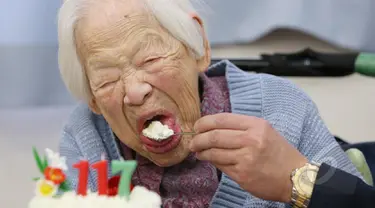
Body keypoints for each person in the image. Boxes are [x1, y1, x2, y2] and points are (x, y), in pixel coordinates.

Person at [57, 0, 362, 207]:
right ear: (94, 100)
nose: (135, 92)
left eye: (150, 58)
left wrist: (296, 179)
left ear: (199, 47)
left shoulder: (281, 109)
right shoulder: (86, 139)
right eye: (108, 79)